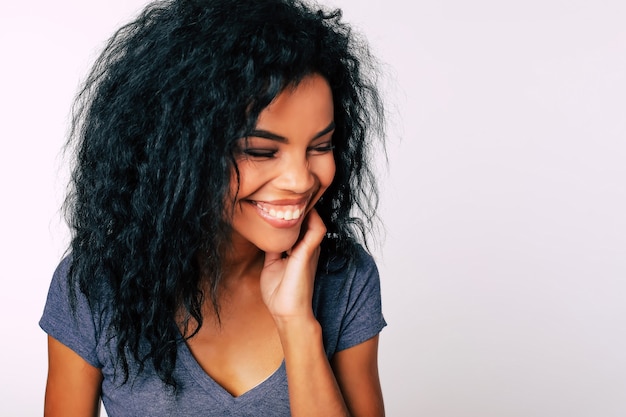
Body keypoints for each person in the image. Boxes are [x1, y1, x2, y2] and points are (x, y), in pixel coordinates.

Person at [40, 0, 386, 415]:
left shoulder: (344, 278)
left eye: (320, 146)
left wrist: (297, 324)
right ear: (180, 152)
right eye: (260, 151)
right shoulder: (95, 286)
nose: (301, 180)